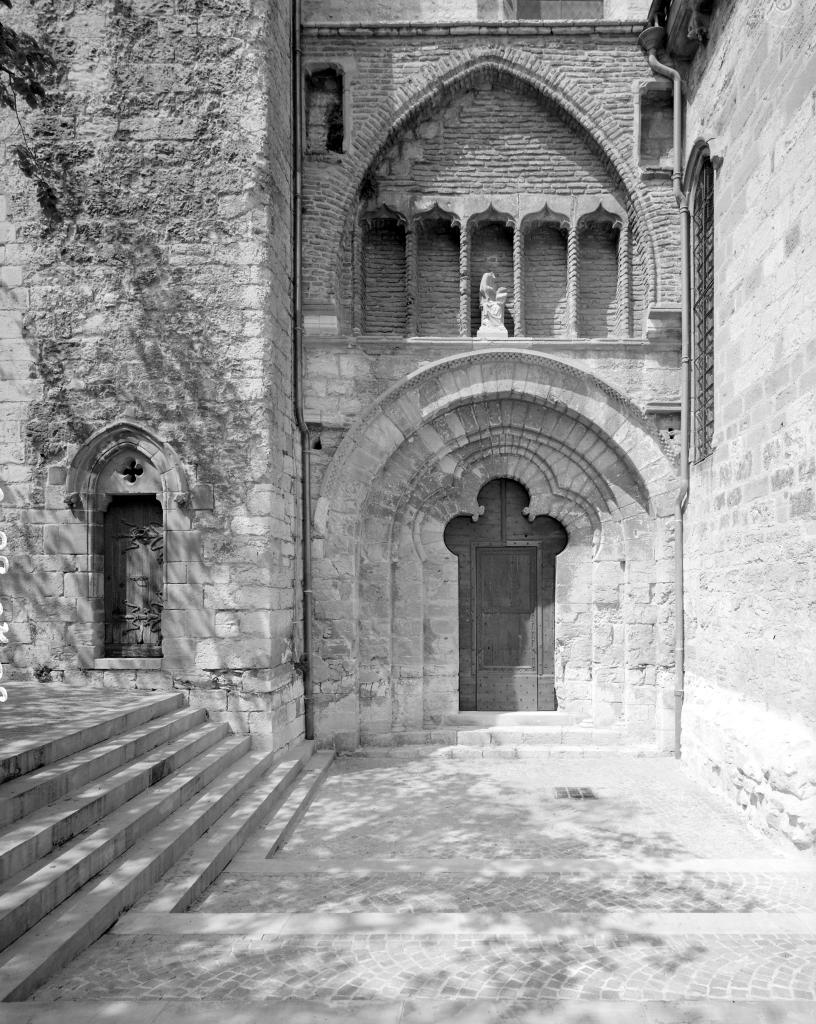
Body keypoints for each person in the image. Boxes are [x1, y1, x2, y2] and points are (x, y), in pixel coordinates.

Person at [477, 271, 509, 339]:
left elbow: (496, 296)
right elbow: (483, 296)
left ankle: (498, 324)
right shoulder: (484, 287)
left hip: (494, 302)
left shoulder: (492, 286)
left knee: (497, 306)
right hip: (487, 302)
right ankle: (488, 323)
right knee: (487, 305)